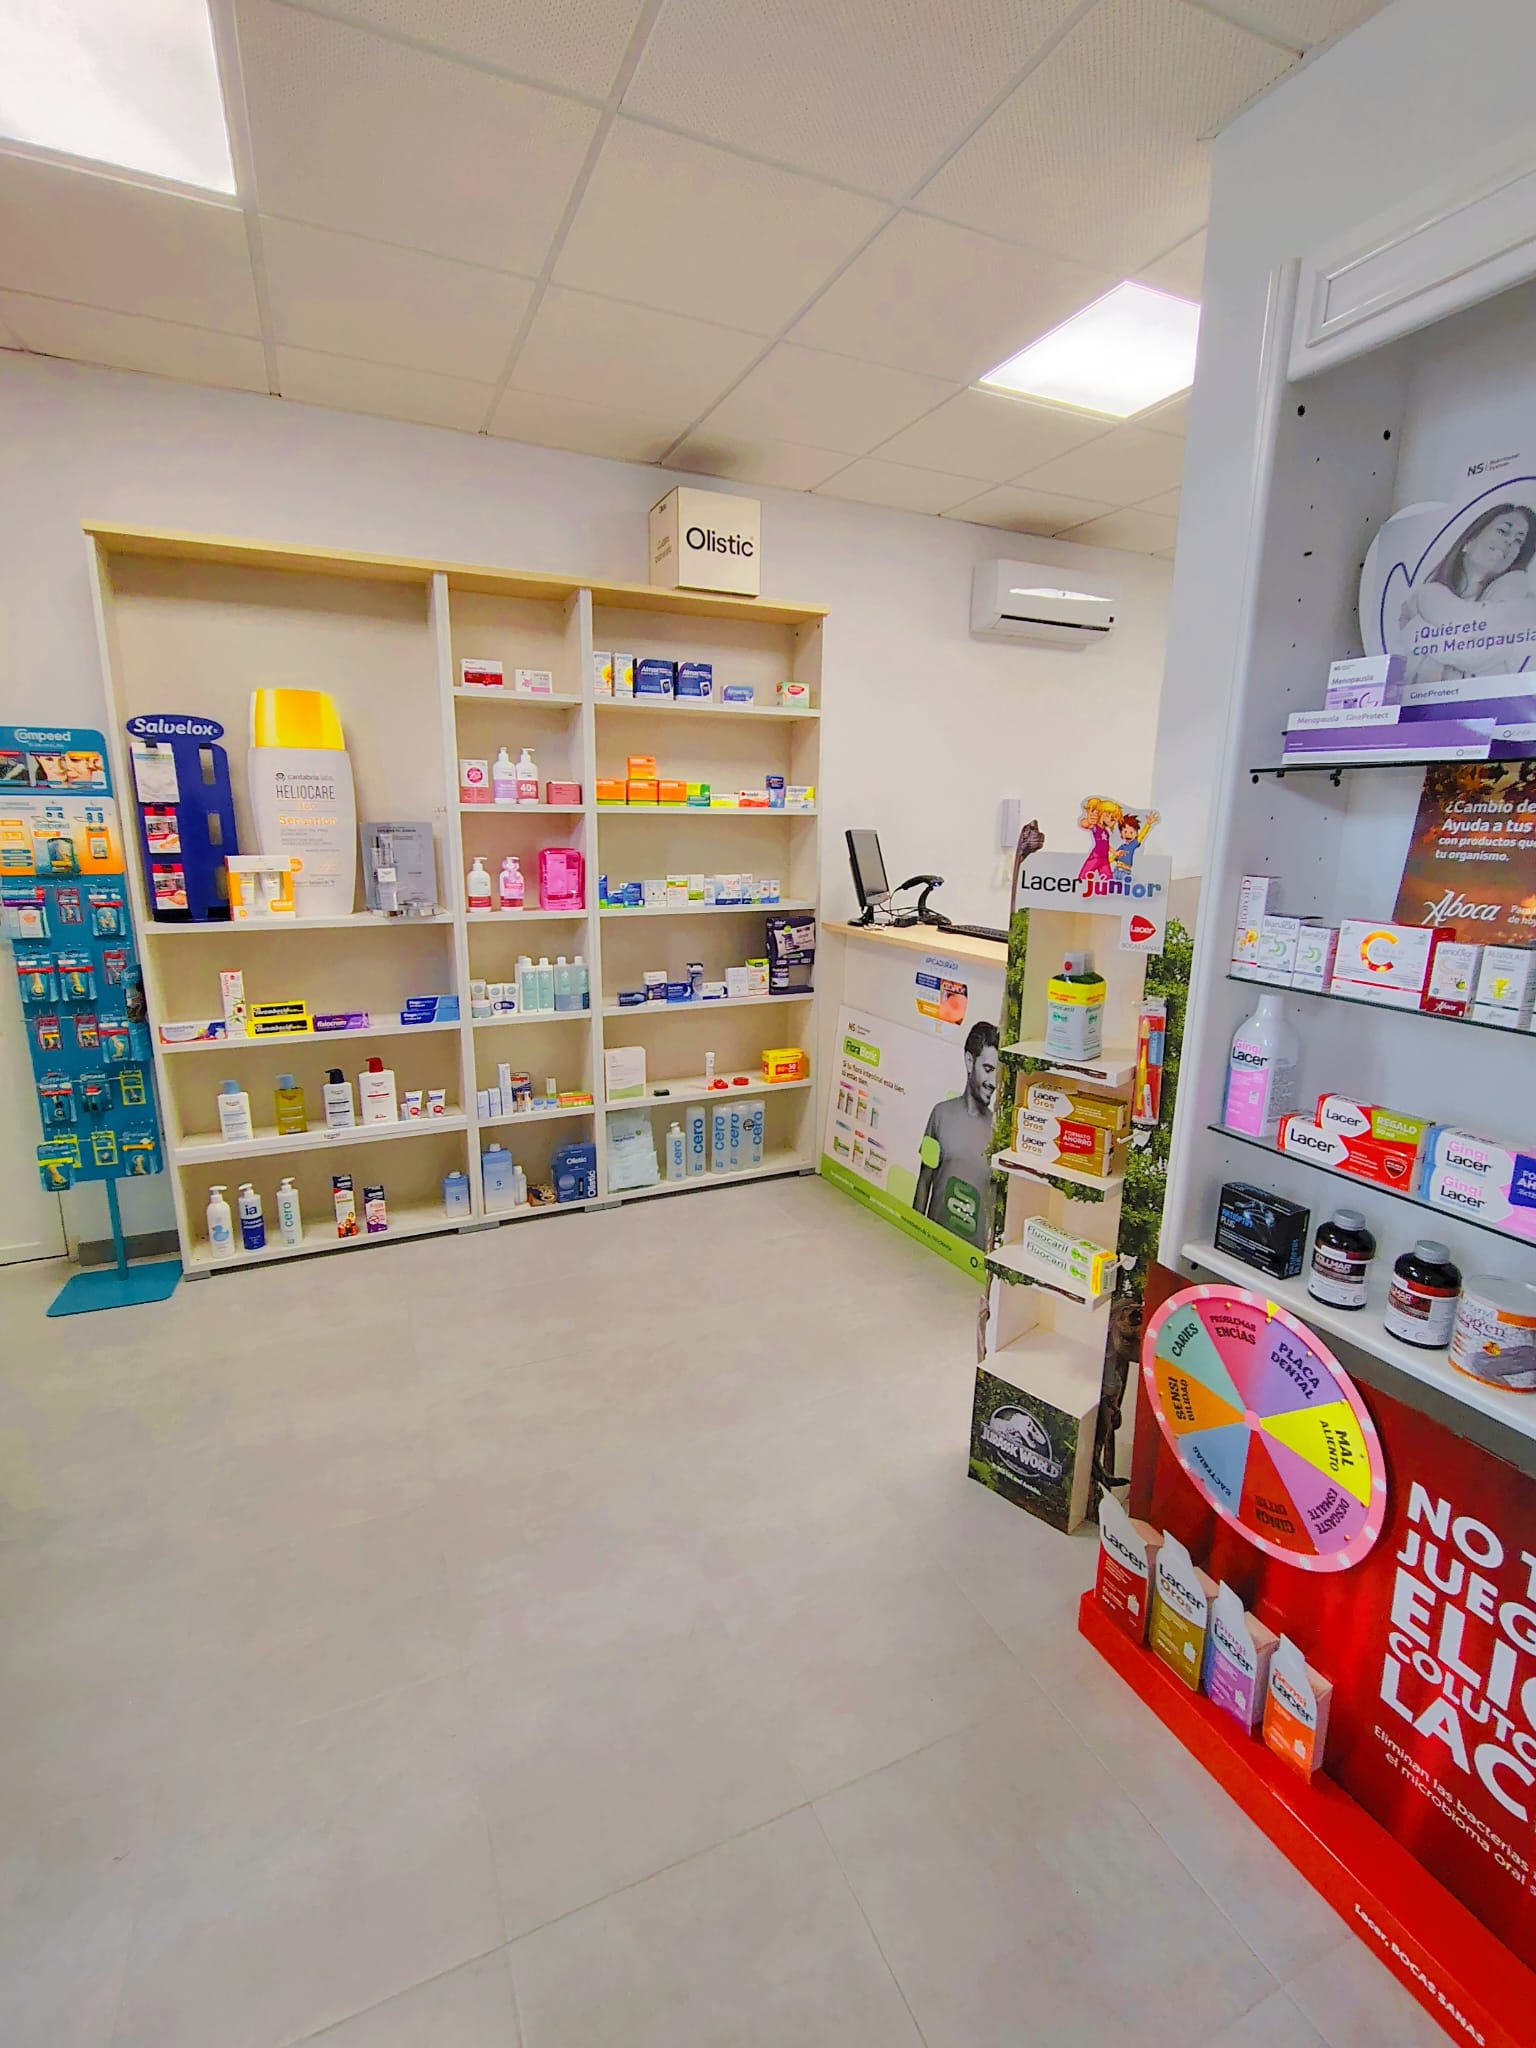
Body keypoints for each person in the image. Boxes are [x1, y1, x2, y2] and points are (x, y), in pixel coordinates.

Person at [1397, 502, 1536, 679]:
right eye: (1503, 531)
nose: (1510, 542)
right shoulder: (1422, 598)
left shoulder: (1523, 605)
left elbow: (1476, 656)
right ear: (1469, 542)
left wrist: (1415, 629)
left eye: (1518, 540)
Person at [913, 1019, 998, 1247]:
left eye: (998, 1073)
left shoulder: (999, 1133)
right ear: (969, 1061)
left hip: (972, 1256)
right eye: (988, 1069)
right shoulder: (940, 1114)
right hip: (934, 1244)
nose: (993, 1082)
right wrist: (913, 1235)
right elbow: (924, 1182)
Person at [1111, 807, 1159, 880]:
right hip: (1116, 869)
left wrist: (1148, 824)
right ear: (1121, 833)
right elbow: (1114, 856)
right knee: (1112, 885)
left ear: (1136, 833)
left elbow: (1142, 836)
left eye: (1131, 832)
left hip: (1126, 871)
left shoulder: (1132, 845)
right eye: (1125, 832)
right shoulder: (1122, 846)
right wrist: (1104, 864)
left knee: (1125, 886)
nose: (1128, 834)